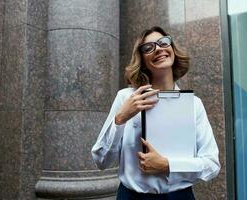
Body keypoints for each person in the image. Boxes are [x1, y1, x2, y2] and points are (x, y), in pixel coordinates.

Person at [91, 26, 220, 200]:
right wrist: (120, 118)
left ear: (172, 49)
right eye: (149, 47)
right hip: (131, 196)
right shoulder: (126, 97)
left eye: (163, 42)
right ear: (142, 60)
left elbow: (211, 164)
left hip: (180, 197)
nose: (159, 48)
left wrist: (168, 165)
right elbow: (101, 161)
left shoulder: (194, 105)